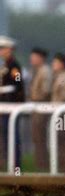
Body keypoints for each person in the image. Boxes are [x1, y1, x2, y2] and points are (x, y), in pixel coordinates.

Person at [0, 36, 24, 171]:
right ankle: (10, 166)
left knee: (12, 138)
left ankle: (16, 167)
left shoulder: (14, 66)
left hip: (12, 105)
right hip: (5, 106)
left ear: (9, 49)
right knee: (6, 138)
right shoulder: (6, 65)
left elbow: (17, 83)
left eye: (2, 48)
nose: (0, 51)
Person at [29, 47, 52, 172]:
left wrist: (36, 98)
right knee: (37, 138)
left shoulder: (45, 71)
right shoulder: (37, 70)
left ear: (40, 58)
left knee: (40, 138)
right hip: (36, 106)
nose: (31, 59)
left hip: (41, 107)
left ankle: (43, 167)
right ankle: (41, 166)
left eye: (34, 57)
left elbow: (46, 91)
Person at [51, 52, 65, 172]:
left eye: (56, 62)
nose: (53, 64)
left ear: (62, 64)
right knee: (59, 141)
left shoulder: (64, 77)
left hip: (62, 113)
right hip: (58, 113)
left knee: (63, 141)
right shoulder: (58, 76)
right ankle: (62, 167)